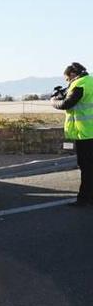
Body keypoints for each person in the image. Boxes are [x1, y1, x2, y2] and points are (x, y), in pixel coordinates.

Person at [52, 62, 93, 206]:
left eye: (67, 79)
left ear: (73, 75)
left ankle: (85, 199)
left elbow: (67, 104)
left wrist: (54, 101)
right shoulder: (91, 81)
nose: (68, 83)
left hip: (86, 133)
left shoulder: (80, 84)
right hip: (89, 131)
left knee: (86, 167)